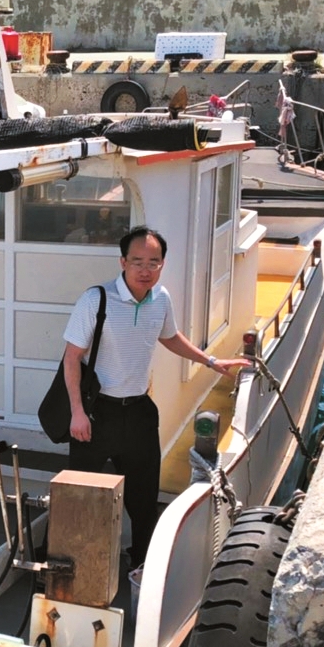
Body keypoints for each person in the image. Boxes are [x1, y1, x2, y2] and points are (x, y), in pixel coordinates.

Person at [61, 226, 252, 568]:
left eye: (154, 262)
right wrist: (77, 412)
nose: (145, 270)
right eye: (137, 262)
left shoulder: (160, 298)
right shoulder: (96, 300)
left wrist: (211, 361)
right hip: (95, 413)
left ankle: (142, 565)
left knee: (144, 498)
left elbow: (171, 337)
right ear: (123, 262)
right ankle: (71, 564)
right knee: (81, 494)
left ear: (162, 264)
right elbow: (72, 357)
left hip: (139, 413)